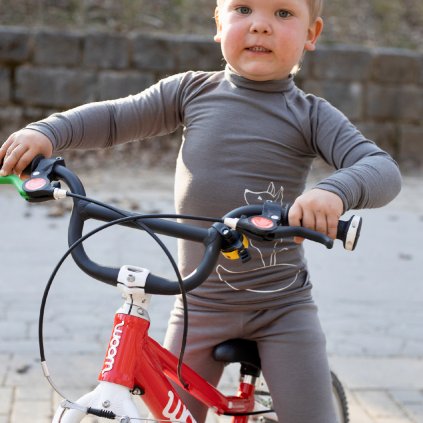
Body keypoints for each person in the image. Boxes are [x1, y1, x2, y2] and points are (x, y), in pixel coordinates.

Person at [0, 0, 401, 422]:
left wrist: (335, 192)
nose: (260, 26)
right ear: (218, 22)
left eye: (283, 13)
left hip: (282, 309)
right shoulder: (191, 91)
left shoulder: (311, 115)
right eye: (243, 9)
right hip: (198, 304)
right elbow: (117, 117)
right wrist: (49, 131)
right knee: (169, 412)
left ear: (311, 34)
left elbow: (381, 169)